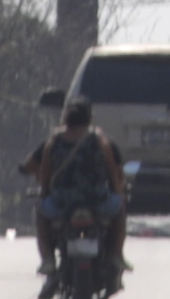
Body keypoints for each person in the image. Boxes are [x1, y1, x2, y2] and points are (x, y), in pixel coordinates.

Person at [21, 101, 125, 282]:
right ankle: (116, 254)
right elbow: (113, 171)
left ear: (65, 120)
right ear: (90, 120)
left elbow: (45, 174)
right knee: (120, 207)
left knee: (41, 212)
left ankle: (48, 259)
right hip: (97, 200)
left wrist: (44, 195)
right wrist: (118, 193)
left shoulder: (54, 141)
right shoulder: (100, 139)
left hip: (63, 201)